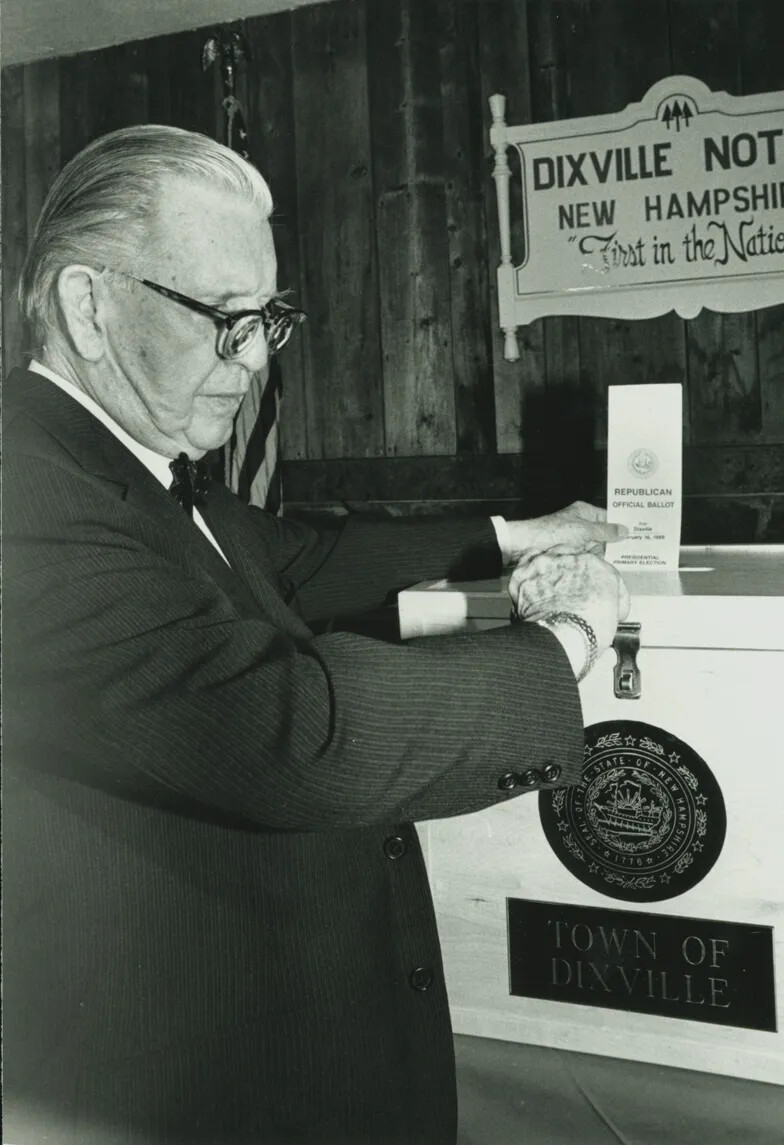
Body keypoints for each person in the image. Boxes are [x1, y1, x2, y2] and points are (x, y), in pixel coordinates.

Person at [2, 124, 629, 1145]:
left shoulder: (127, 458)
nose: (250, 362)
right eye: (223, 319)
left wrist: (516, 535)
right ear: (88, 305)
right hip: (182, 1081)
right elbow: (287, 737)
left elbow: (297, 561)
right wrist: (565, 637)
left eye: (267, 319)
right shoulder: (22, 488)